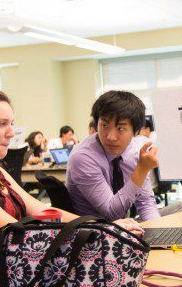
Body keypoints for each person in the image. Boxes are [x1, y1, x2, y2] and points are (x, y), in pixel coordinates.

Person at [0, 88, 141, 263]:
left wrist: (104, 227)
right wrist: (101, 231)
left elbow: (43, 211)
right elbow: (16, 236)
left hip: (20, 268)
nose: (11, 132)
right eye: (2, 124)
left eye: (11, 123)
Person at [66, 91, 160, 222]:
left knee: (181, 209)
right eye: (104, 125)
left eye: (120, 128)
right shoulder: (82, 157)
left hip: (123, 224)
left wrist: (156, 229)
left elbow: (145, 203)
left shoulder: (135, 151)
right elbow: (111, 214)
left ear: (136, 132)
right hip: (95, 228)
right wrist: (141, 170)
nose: (110, 137)